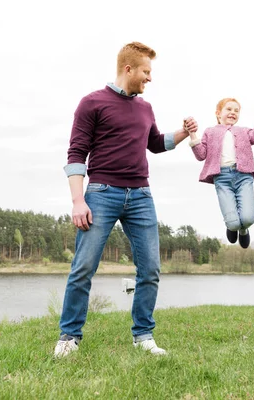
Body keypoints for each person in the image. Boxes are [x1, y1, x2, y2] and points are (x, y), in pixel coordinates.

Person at [54, 42, 198, 358]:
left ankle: (143, 336)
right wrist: (79, 201)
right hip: (101, 194)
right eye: (146, 72)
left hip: (141, 196)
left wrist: (184, 133)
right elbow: (76, 153)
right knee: (83, 267)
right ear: (129, 69)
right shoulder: (92, 103)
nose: (150, 78)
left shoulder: (145, 108)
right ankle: (69, 337)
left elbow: (156, 143)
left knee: (150, 269)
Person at [187, 98, 254, 248]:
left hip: (244, 176)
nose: (233, 112)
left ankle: (244, 229)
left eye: (236, 110)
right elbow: (201, 155)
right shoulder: (210, 132)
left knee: (248, 218)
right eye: (229, 109)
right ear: (218, 113)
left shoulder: (243, 131)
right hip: (222, 179)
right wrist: (193, 135)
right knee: (232, 223)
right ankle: (232, 226)